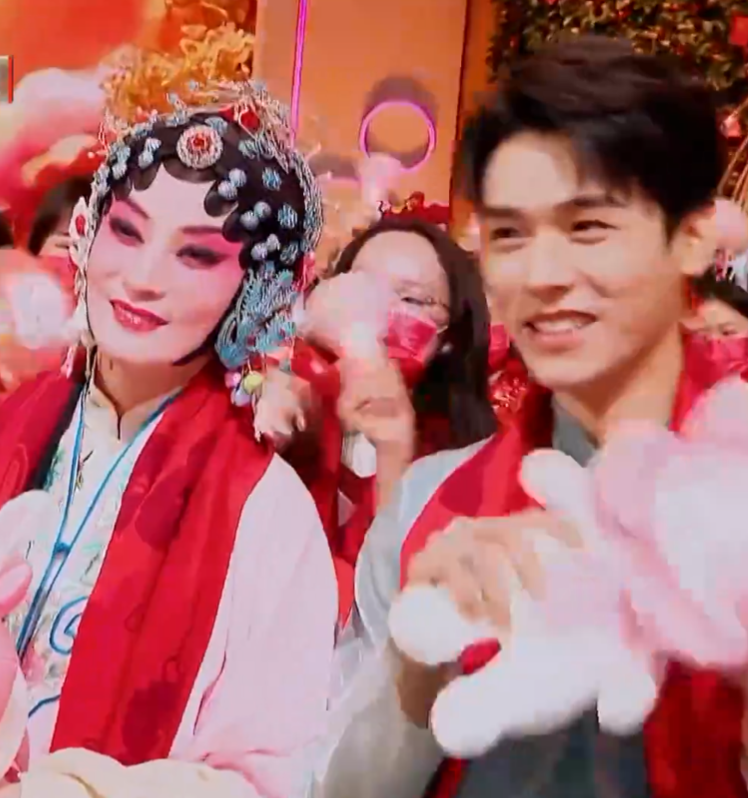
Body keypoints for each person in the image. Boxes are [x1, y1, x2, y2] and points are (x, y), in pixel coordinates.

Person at [313, 35, 746, 798]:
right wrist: (417, 666)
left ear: (690, 238)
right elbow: (340, 789)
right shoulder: (433, 508)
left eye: (588, 228)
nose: (542, 276)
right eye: (510, 235)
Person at [0, 29, 337, 798]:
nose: (143, 278)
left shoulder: (268, 514)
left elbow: (266, 778)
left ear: (256, 288)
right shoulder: (14, 423)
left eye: (197, 254)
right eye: (127, 231)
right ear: (88, 234)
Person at [258, 217, 495, 580]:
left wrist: (394, 451)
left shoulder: (470, 461)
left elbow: (398, 588)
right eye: (360, 287)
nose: (375, 308)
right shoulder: (291, 393)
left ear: (450, 338)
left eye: (411, 298)